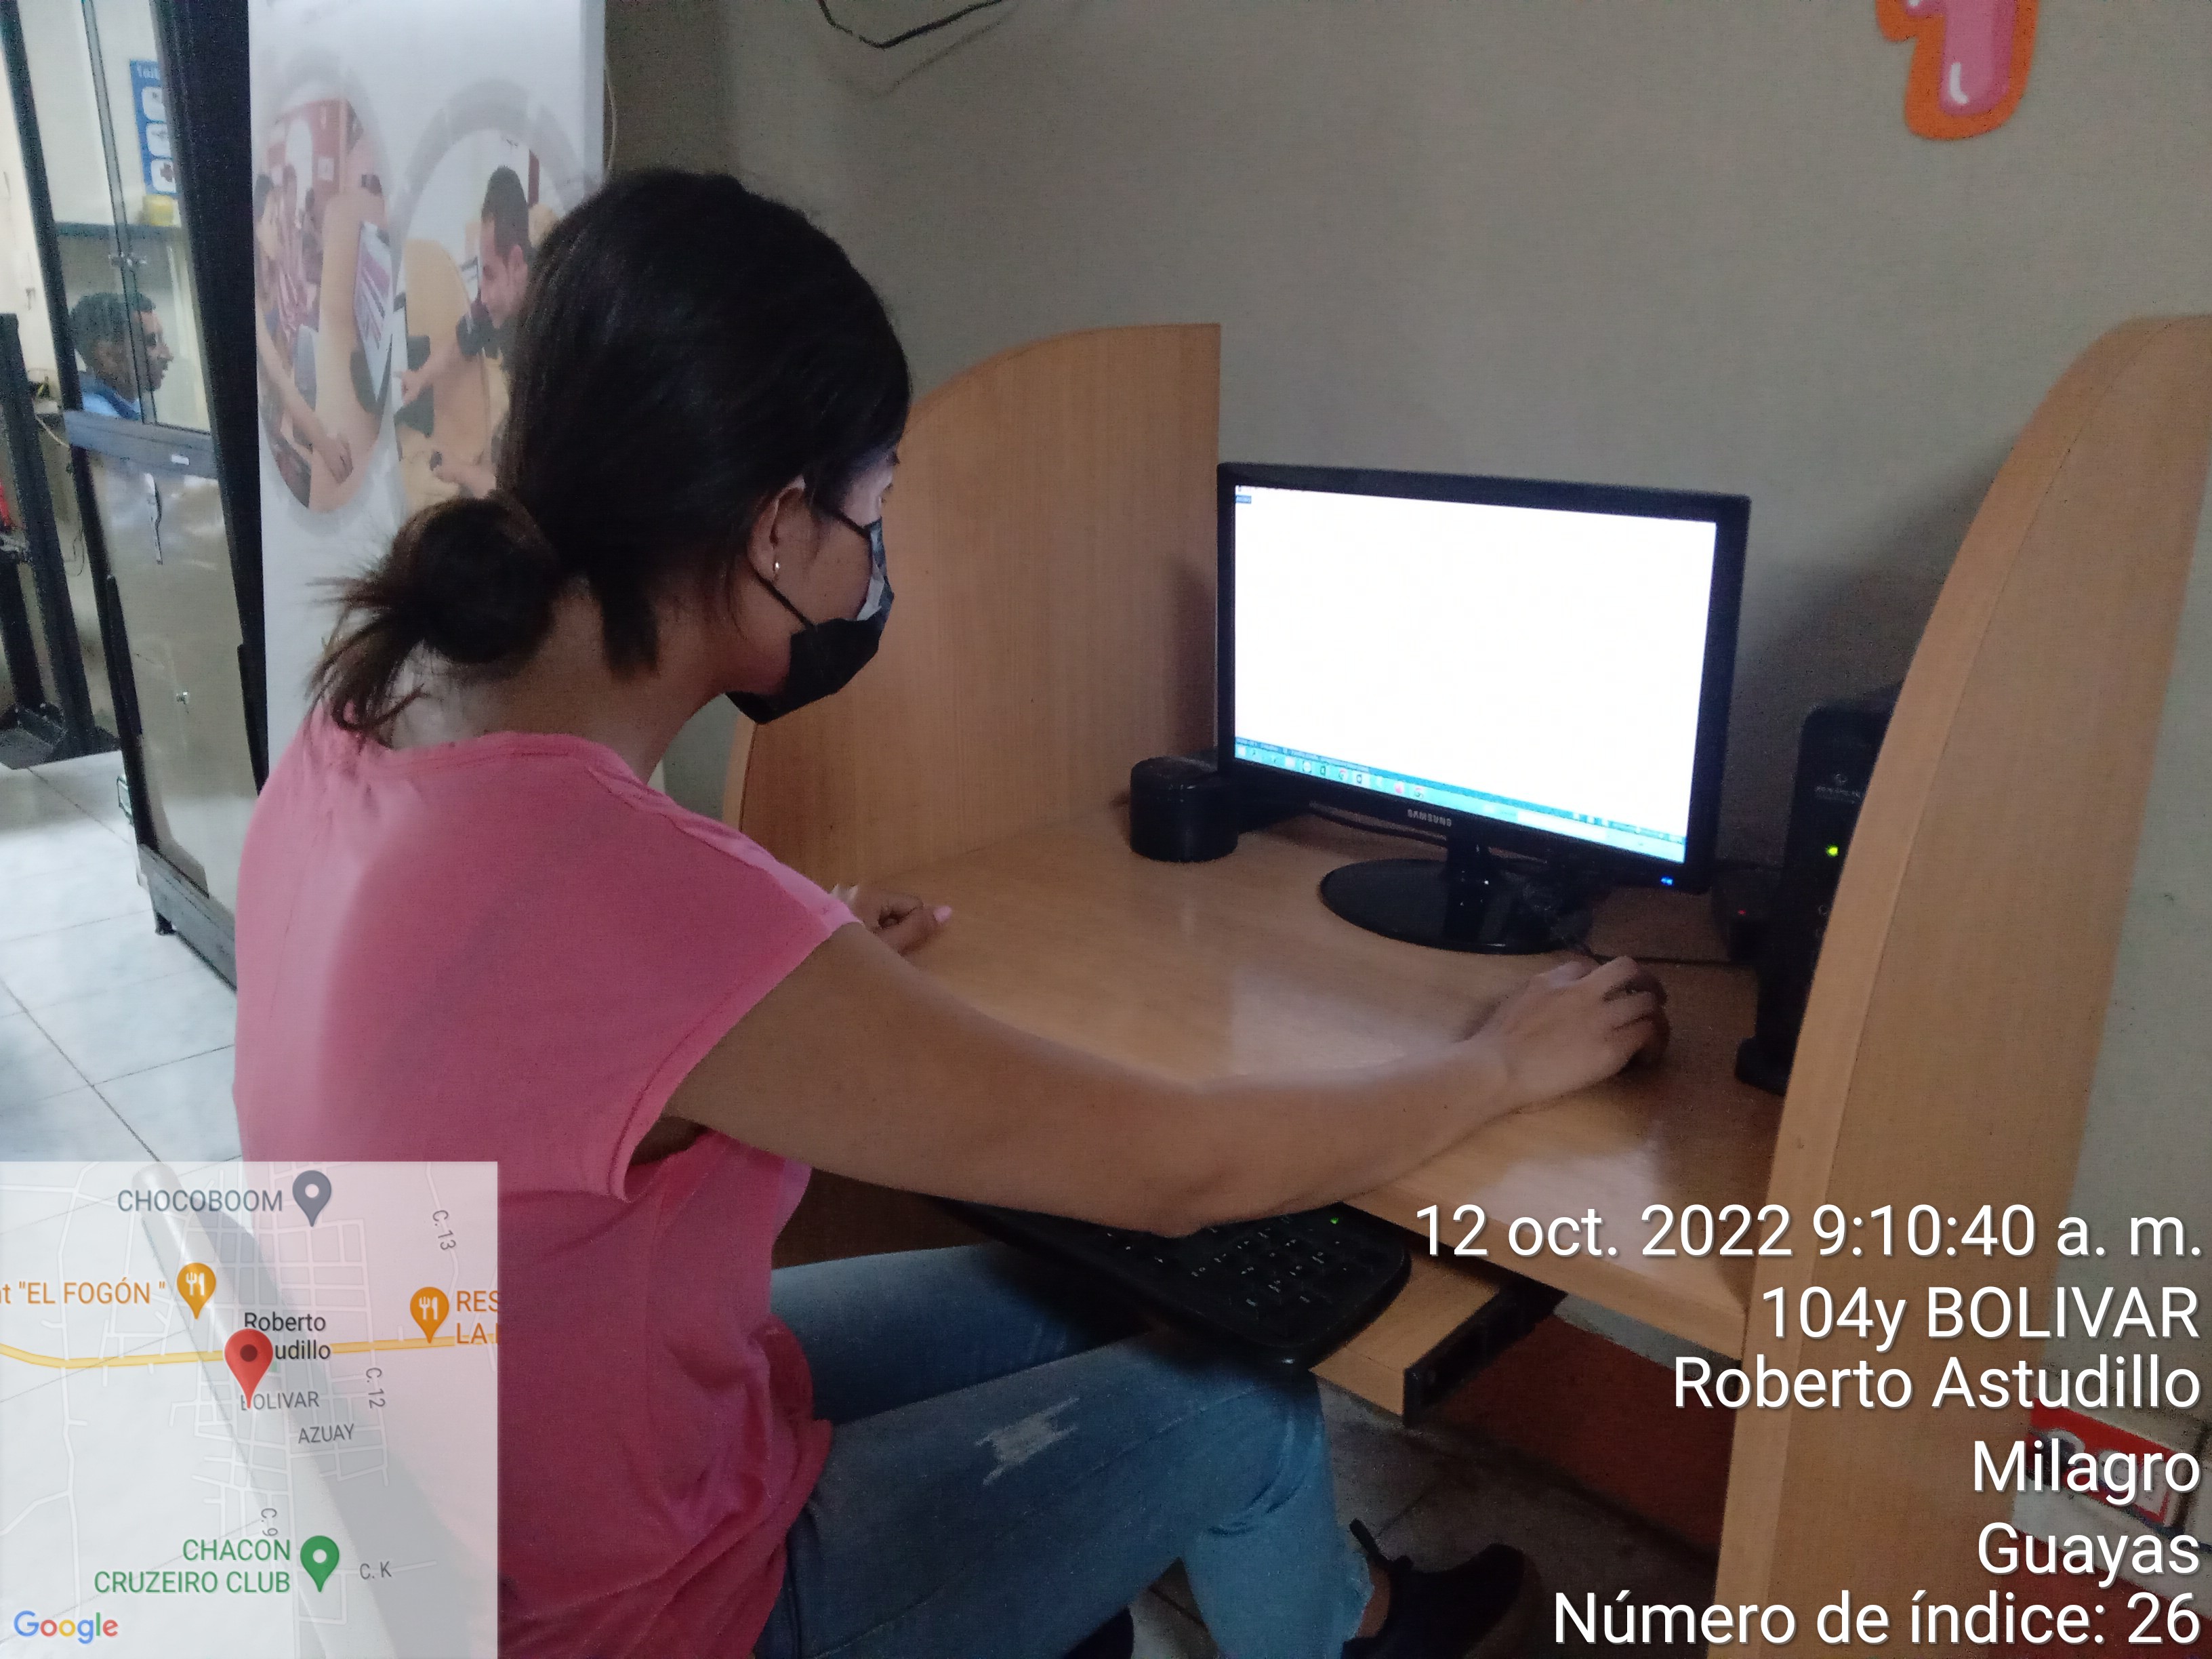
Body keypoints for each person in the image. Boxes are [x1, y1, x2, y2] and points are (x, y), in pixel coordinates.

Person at [232, 169, 1668, 1659]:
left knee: (1071, 1300)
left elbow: (540, 1033)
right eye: (871, 512)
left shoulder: (368, 714)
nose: (873, 563)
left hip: (478, 1514)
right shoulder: (632, 891)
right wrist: (1497, 1063)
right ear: (775, 527)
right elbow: (1185, 1169)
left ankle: (1317, 1606)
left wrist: (796, 978)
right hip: (635, 1621)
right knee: (1257, 1395)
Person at [399, 164, 533, 498]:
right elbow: (460, 342)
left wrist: (461, 471)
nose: (482, 297)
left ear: (517, 263)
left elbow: (518, 496)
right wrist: (421, 378)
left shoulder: (546, 339)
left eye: (489, 274)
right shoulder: (496, 303)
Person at [252, 171, 352, 493]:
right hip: (270, 417)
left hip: (282, 401)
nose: (278, 230)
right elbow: (278, 378)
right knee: (318, 478)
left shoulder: (269, 274)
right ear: (254, 229)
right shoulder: (253, 298)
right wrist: (323, 442)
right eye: (271, 221)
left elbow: (283, 351)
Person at [68, 289, 170, 419]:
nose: (168, 356)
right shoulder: (98, 416)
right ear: (107, 355)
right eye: (152, 342)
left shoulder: (131, 405)